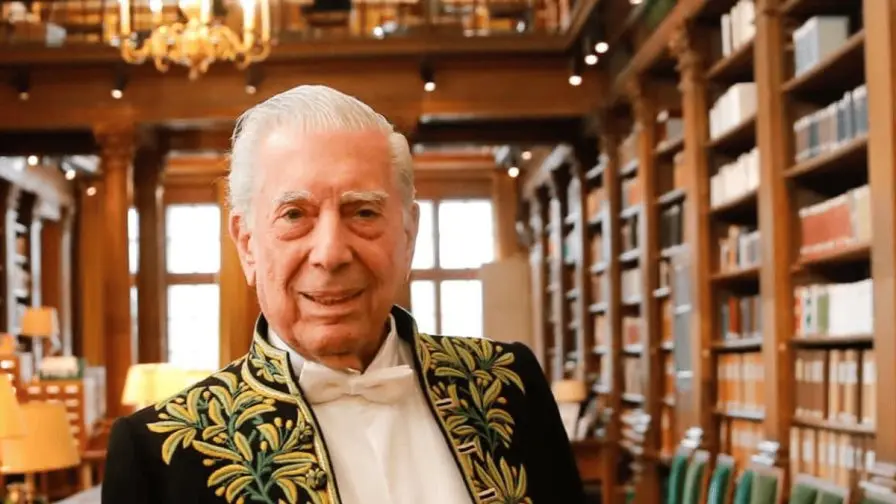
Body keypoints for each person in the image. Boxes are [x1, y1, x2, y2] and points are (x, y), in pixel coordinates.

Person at [102, 85, 585, 504]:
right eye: (295, 215)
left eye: (364, 212)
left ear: (408, 235)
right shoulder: (158, 454)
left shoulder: (509, 386)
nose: (331, 254)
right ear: (246, 243)